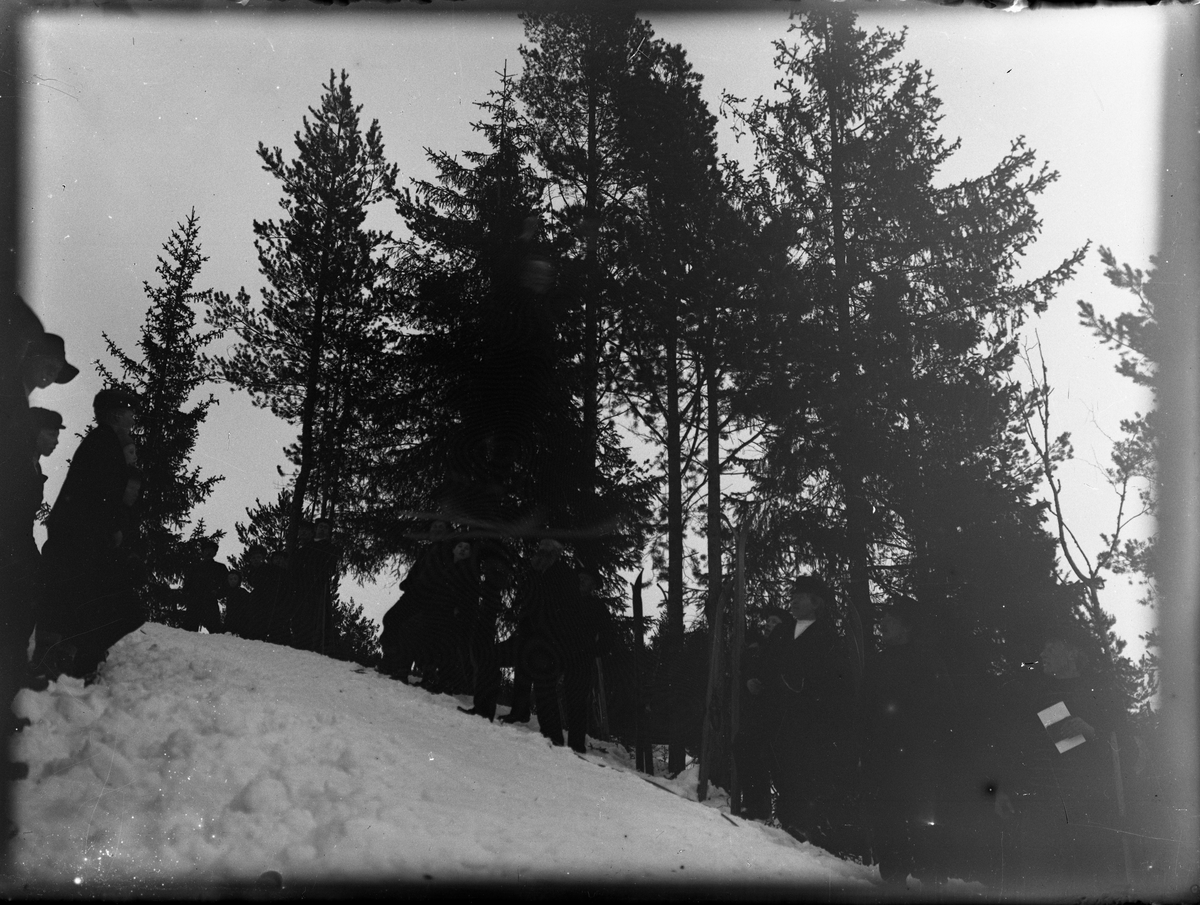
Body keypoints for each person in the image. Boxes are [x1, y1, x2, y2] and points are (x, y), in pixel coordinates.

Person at [992, 630, 1135, 899]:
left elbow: (1124, 745)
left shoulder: (1099, 692)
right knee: (1040, 883)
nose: (1042, 654)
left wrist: (1092, 731)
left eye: (1051, 647)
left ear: (1072, 652)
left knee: (1087, 883)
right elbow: (1018, 747)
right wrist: (1004, 788)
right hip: (1041, 807)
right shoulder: (1035, 693)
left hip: (1087, 808)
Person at [735, 575, 860, 855]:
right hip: (773, 712)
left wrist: (806, 691)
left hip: (806, 719)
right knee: (745, 743)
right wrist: (754, 679)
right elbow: (765, 664)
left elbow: (836, 683)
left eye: (801, 595)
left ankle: (798, 830)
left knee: (796, 770)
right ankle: (757, 807)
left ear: (816, 603)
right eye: (793, 593)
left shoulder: (828, 638)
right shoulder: (781, 633)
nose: (793, 598)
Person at [36, 387, 143, 681]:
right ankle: (69, 662)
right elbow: (103, 494)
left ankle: (74, 661)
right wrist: (114, 529)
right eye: (130, 411)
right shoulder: (105, 443)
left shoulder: (107, 443)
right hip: (81, 538)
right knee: (104, 605)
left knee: (84, 603)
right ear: (117, 414)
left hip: (82, 536)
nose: (134, 417)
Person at [862, 598, 960, 886]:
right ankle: (892, 874)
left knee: (923, 817)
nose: (882, 624)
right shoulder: (877, 662)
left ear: (907, 625)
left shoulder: (928, 660)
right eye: (882, 619)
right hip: (884, 755)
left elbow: (946, 709)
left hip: (920, 756)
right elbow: (865, 708)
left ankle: (930, 876)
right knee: (887, 815)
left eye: (890, 619)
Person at [0, 408, 63, 685]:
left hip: (21, 542)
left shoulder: (32, 464)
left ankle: (16, 669)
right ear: (34, 432)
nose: (56, 441)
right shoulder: (15, 463)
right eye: (51, 433)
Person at [379, 520, 453, 682]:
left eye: (441, 527)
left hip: (431, 599)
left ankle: (404, 669)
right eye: (434, 526)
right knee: (391, 619)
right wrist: (408, 582)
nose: (437, 529)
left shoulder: (448, 550)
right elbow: (418, 570)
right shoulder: (428, 549)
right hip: (413, 594)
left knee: (412, 630)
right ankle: (392, 660)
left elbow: (442, 575)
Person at [180, 538, 227, 634]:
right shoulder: (195, 567)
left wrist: (217, 593)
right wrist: (186, 596)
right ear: (203, 552)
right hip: (194, 601)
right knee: (189, 631)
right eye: (206, 551)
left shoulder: (220, 568)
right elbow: (187, 585)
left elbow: (226, 586)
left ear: (215, 553)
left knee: (215, 632)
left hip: (210, 601)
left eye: (211, 551)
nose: (209, 553)